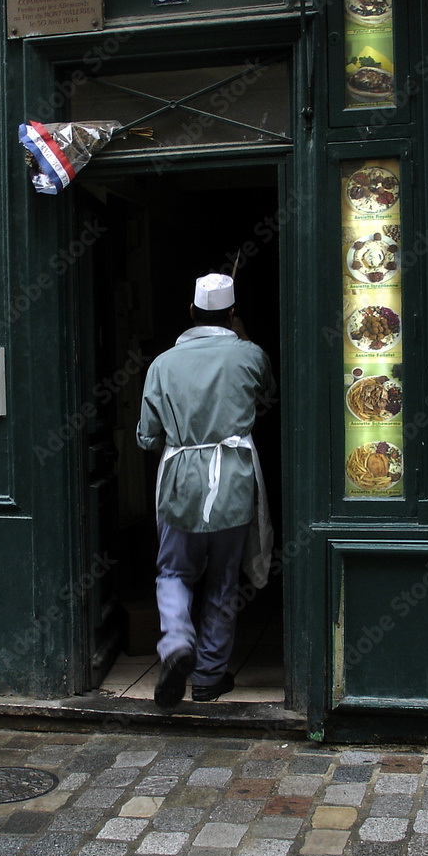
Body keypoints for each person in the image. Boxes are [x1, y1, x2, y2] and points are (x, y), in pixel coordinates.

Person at [136, 273, 275, 710]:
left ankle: (177, 641)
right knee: (223, 581)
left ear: (191, 312)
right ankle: (210, 678)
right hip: (234, 481)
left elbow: (146, 437)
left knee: (174, 572)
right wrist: (245, 336)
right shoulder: (250, 354)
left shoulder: (162, 364)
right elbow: (268, 395)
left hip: (180, 482)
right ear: (232, 314)